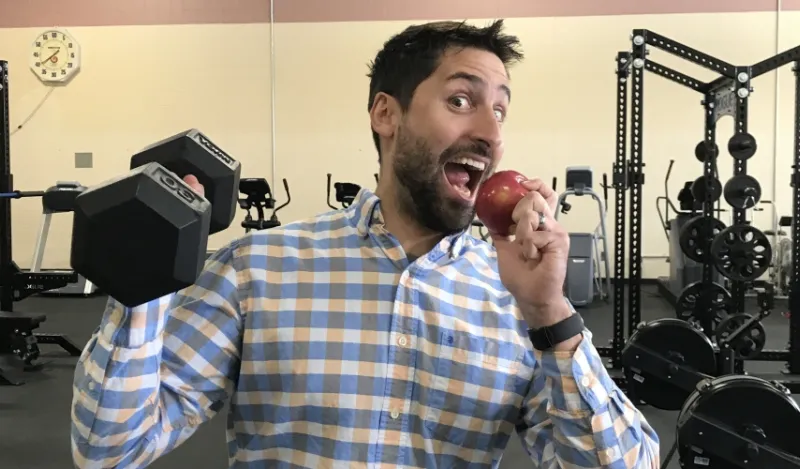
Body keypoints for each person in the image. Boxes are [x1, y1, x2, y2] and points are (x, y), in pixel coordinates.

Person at [71, 19, 660, 469]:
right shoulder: (258, 271)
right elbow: (110, 449)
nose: (491, 134)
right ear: (386, 113)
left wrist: (550, 314)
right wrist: (141, 287)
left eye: (500, 111)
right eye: (461, 100)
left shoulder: (517, 303)